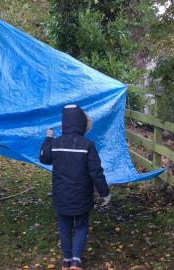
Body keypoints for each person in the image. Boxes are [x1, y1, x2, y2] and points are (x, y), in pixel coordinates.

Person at [40, 104, 111, 270]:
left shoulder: (55, 143)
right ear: (81, 123)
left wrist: (48, 138)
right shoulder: (88, 145)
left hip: (61, 196)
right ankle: (76, 262)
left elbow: (44, 158)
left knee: (64, 227)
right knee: (81, 226)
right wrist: (104, 193)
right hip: (82, 197)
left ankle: (66, 260)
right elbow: (96, 172)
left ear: (65, 122)